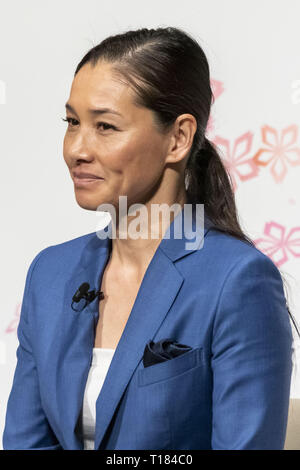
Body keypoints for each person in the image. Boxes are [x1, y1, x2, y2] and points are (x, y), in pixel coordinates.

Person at [2, 26, 297, 450]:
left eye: (105, 126)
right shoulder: (50, 273)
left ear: (177, 138)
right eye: (72, 122)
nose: (76, 149)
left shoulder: (237, 281)